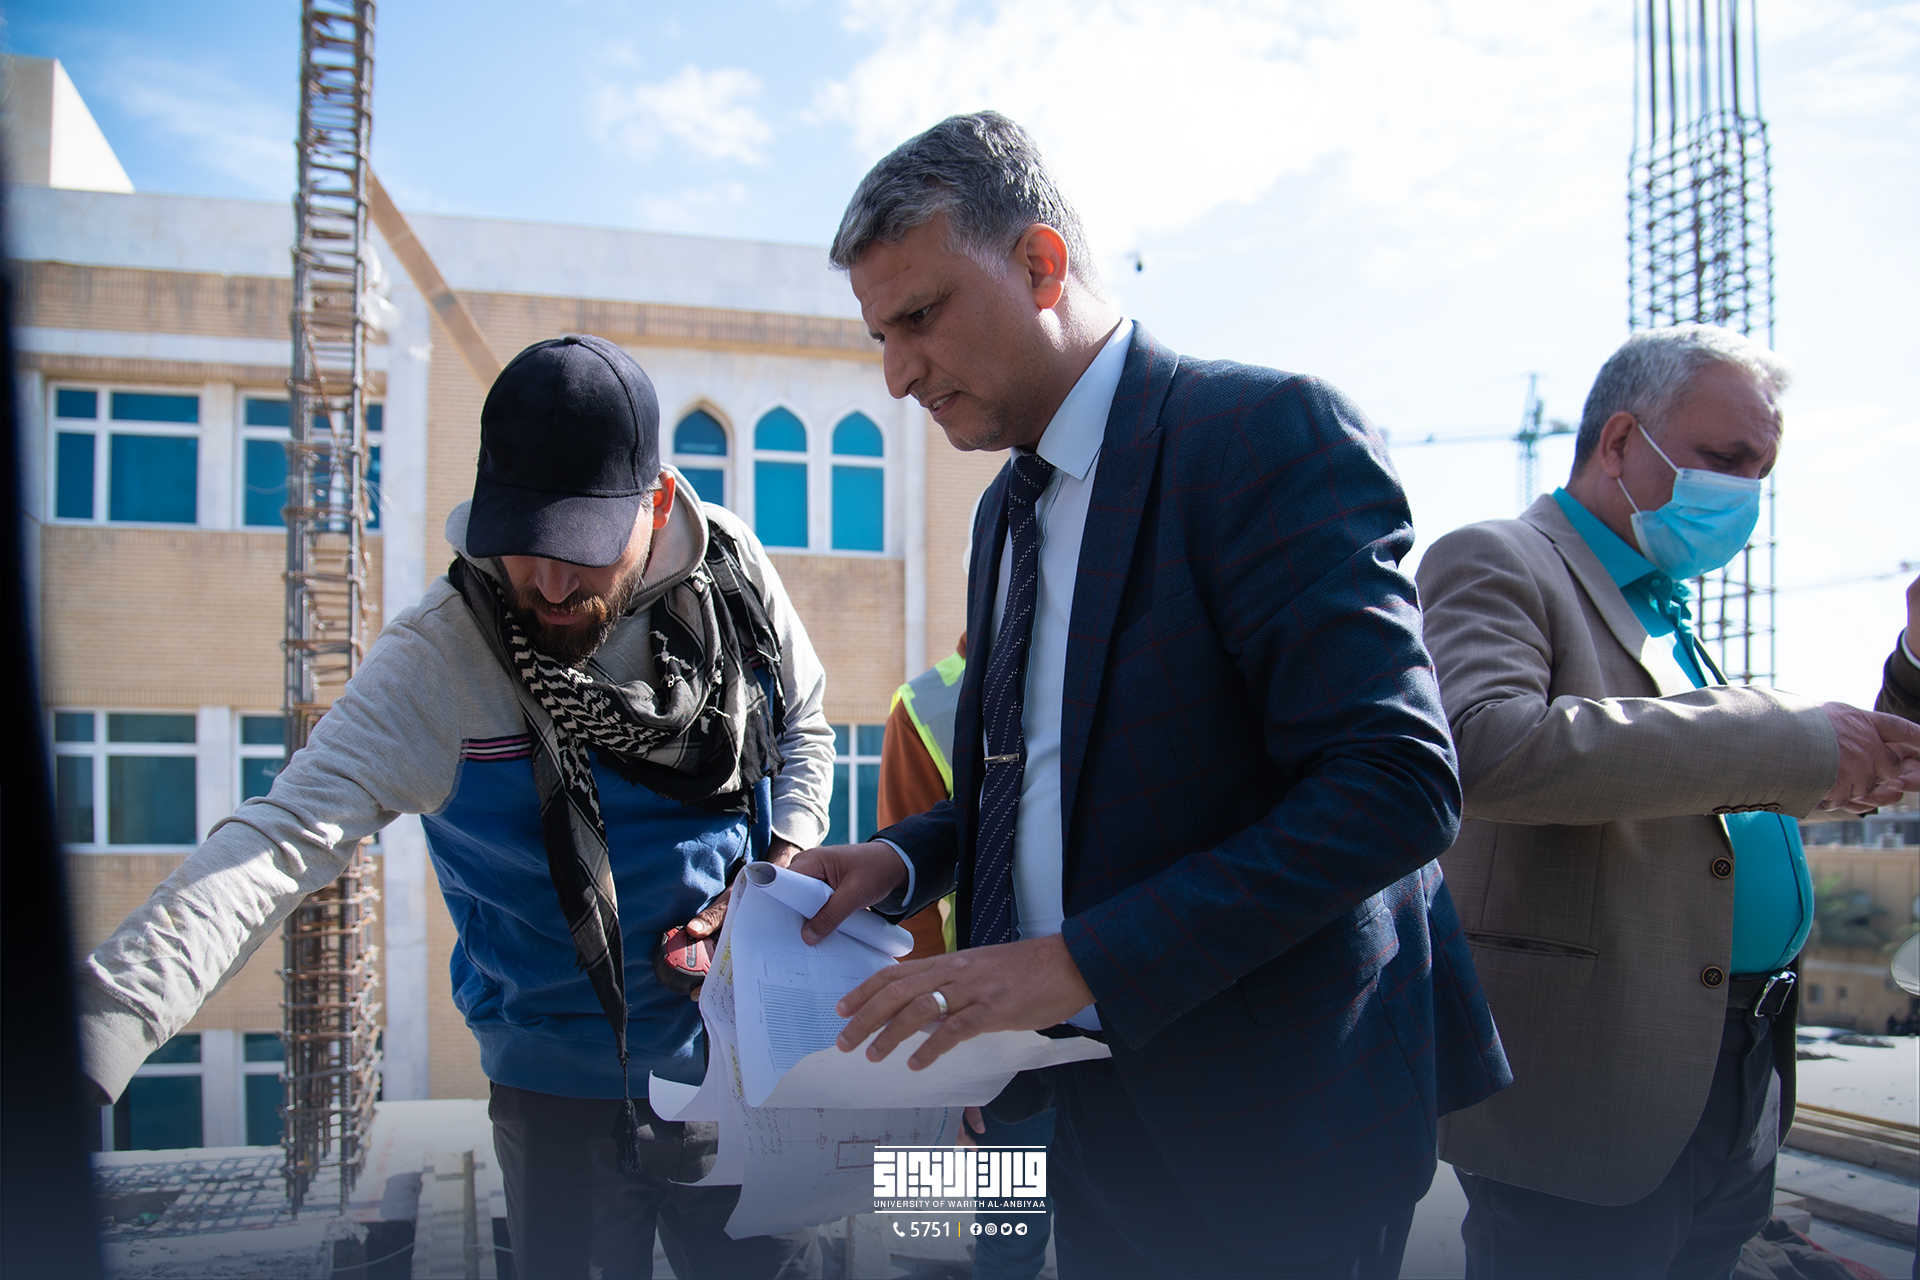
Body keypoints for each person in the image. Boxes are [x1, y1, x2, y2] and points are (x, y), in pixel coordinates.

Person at [787, 111, 1512, 1278]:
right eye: (881, 336)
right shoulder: (1003, 510)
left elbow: (1397, 784)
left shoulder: (1263, 436)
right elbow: (1051, 786)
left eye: (918, 317)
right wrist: (902, 859)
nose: (898, 373)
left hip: (1275, 1133)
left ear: (1041, 264)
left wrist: (1082, 962)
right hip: (1087, 1118)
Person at [73, 336, 832, 1280]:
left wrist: (780, 866)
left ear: (659, 506)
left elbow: (805, 725)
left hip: (749, 1066)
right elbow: (279, 837)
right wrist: (102, 1028)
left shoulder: (732, 573)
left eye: (583, 550)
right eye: (525, 544)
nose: (550, 586)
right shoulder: (439, 659)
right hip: (559, 1101)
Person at [1416, 325, 1920, 1279]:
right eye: (1726, 459)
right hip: (1599, 1077)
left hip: (1739, 1056)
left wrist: (1912, 676)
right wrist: (1788, 733)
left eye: (1761, 473)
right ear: (1619, 441)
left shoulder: (1666, 606)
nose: (1745, 494)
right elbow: (1484, 746)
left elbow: (1735, 788)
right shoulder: (1500, 558)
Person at [879, 631, 1054, 1280]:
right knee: (1012, 1239)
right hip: (994, 1039)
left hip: (1091, 1012)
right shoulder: (926, 703)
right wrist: (940, 1062)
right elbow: (914, 919)